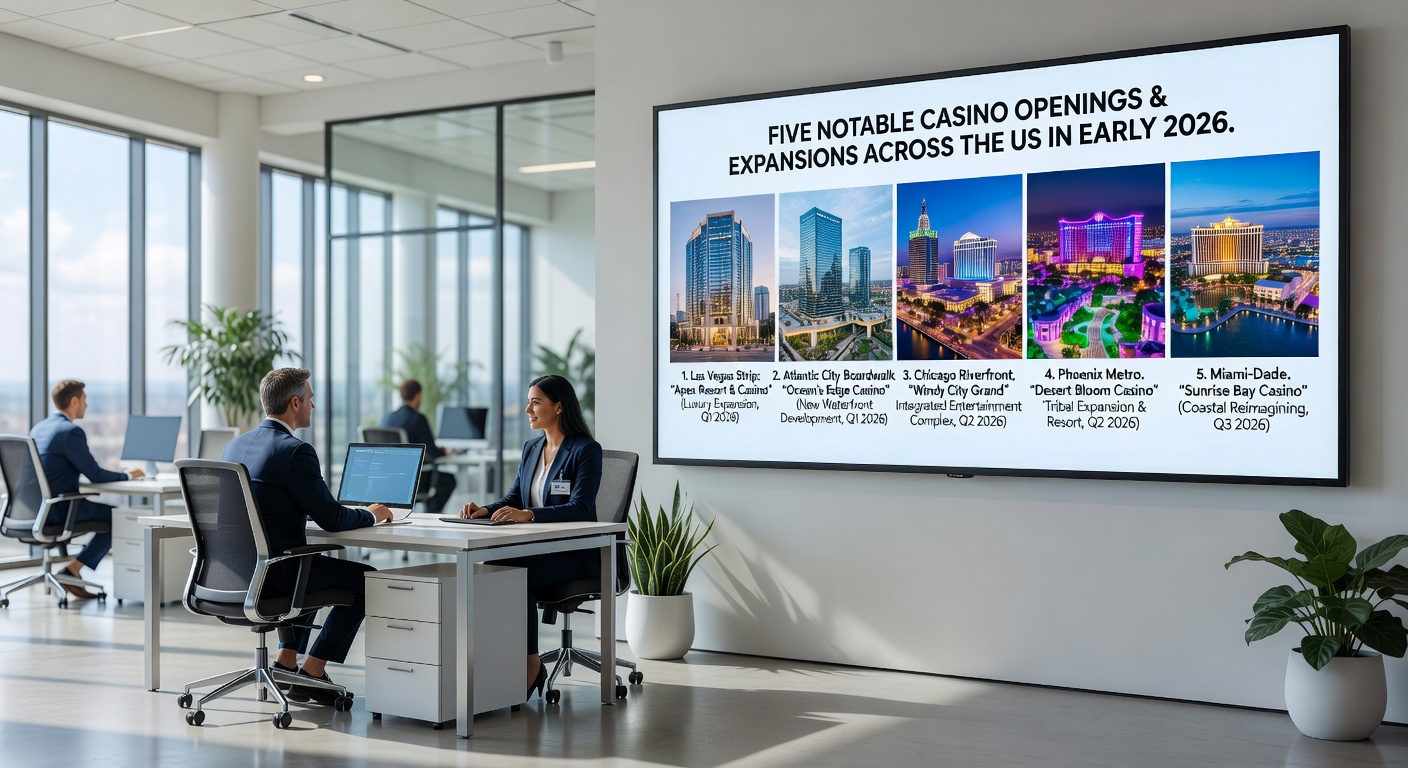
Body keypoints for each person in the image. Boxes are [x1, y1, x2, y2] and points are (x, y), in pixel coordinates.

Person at [223, 367, 393, 704]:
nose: (314, 406)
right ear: (295, 402)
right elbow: (331, 518)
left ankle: (286, 660)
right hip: (276, 576)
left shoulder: (235, 446)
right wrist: (372, 514)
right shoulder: (294, 451)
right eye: (311, 399)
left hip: (236, 574)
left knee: (307, 565)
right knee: (365, 581)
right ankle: (312, 671)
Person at [460, 374, 602, 701]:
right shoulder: (532, 448)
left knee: (515, 576)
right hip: (541, 550)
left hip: (578, 555)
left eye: (536, 402)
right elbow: (514, 498)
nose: (528, 409)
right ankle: (500, 661)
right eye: (529, 401)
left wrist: (532, 514)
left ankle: (530, 665)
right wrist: (485, 509)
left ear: (559, 406)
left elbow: (580, 508)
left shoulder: (585, 450)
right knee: (492, 567)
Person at [29, 380, 146, 601]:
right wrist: (130, 475)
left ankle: (71, 570)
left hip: (34, 509)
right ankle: (72, 570)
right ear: (74, 401)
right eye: (84, 399)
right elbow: (96, 475)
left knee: (111, 513)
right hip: (59, 510)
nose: (87, 405)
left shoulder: (39, 428)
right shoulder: (70, 432)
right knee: (117, 517)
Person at [380, 379, 457, 515]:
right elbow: (432, 452)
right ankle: (431, 516)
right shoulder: (417, 419)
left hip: (388, 480)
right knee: (448, 480)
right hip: (413, 481)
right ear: (418, 396)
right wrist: (444, 452)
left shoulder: (387, 418)